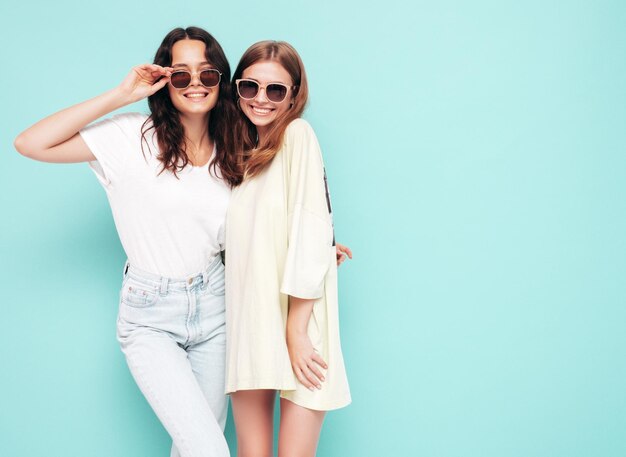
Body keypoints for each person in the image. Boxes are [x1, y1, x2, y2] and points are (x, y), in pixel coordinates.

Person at [14, 26, 243, 457]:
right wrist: (122, 94)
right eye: (181, 75)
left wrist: (316, 249)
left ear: (221, 82)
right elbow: (30, 143)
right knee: (209, 451)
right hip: (150, 315)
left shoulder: (233, 150)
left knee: (193, 445)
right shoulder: (130, 137)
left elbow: (260, 224)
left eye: (207, 74)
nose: (195, 84)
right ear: (165, 81)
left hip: (216, 308)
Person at [225, 41, 352, 457]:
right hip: (252, 317)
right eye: (250, 87)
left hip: (299, 320)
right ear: (237, 89)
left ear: (294, 94)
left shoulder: (298, 134)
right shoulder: (239, 160)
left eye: (275, 90)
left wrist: (296, 331)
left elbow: (312, 223)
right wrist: (321, 248)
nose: (261, 99)